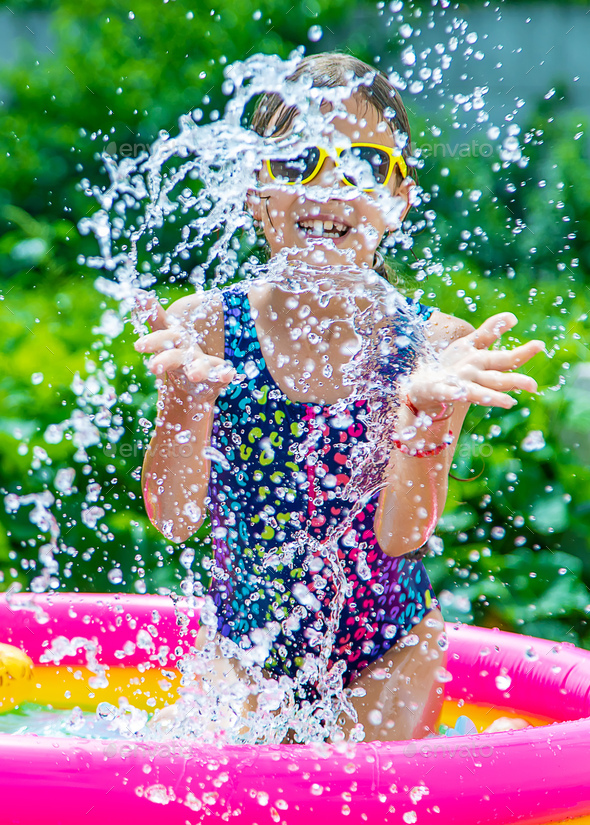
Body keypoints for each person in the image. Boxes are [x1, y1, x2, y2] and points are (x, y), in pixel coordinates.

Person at [135, 53, 543, 742]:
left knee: (360, 801)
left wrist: (425, 424)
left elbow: (402, 532)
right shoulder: (207, 329)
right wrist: (183, 406)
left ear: (398, 199)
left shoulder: (432, 347)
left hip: (389, 647)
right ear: (256, 193)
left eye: (361, 166)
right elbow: (174, 519)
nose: (328, 189)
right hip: (248, 649)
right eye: (296, 164)